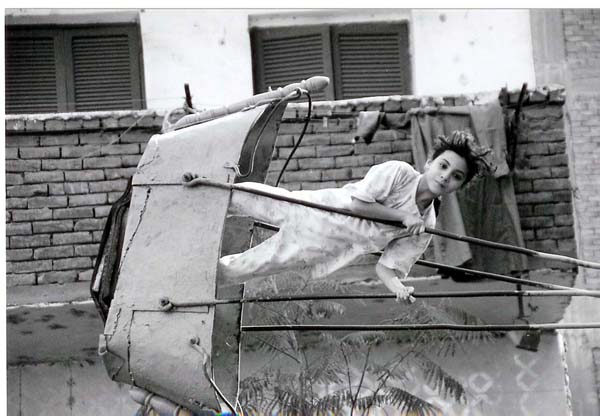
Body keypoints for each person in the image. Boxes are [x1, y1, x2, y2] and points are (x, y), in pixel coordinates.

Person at [218, 130, 494, 301]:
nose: (445, 177)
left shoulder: (426, 225)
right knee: (252, 198)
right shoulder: (399, 173)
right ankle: (201, 188)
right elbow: (358, 205)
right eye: (443, 166)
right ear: (429, 163)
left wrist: (398, 287)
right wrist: (403, 217)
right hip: (318, 208)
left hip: (324, 247)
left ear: (459, 186)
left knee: (250, 266)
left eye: (456, 176)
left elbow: (386, 267)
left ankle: (195, 275)